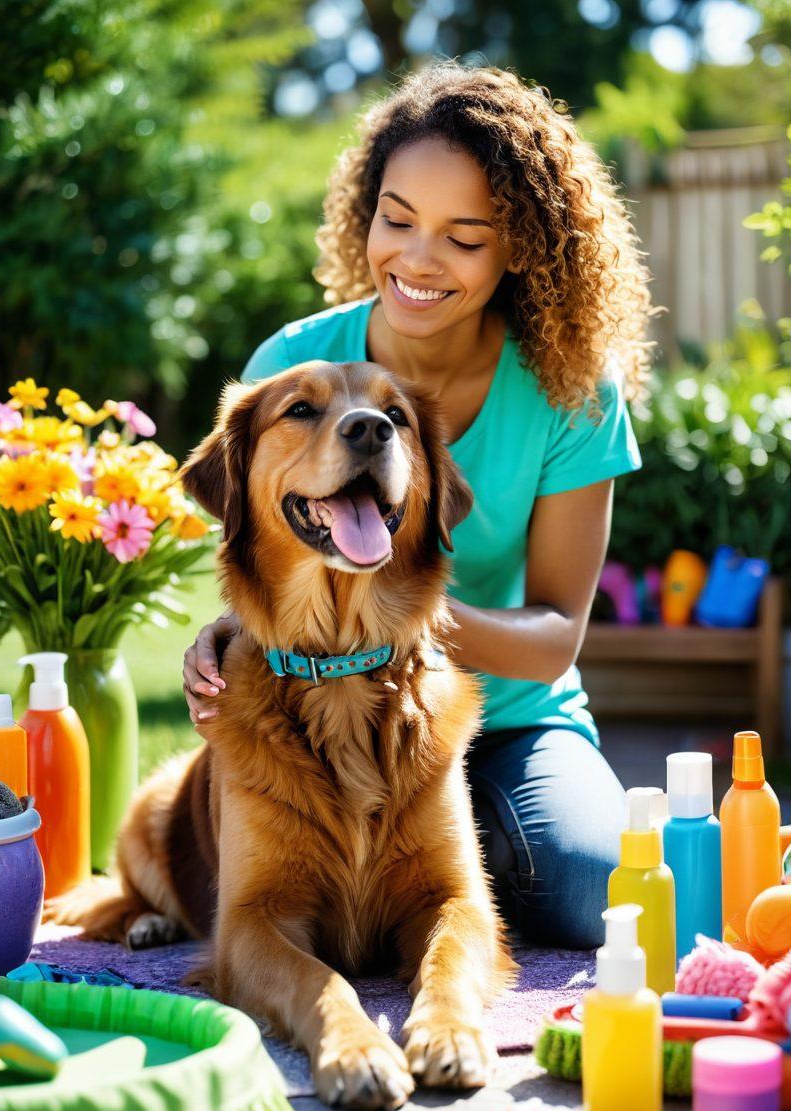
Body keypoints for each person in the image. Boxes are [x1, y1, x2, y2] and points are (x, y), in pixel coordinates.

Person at [182, 61, 653, 949]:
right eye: (397, 220)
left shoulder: (571, 392)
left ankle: (446, 859)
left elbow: (557, 637)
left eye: (464, 238)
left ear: (523, 248)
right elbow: (264, 551)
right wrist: (228, 634)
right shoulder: (293, 362)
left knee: (592, 886)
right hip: (315, 726)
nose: (418, 260)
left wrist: (405, 614)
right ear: (369, 212)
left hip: (514, 723)